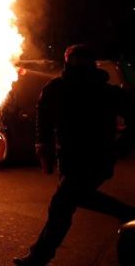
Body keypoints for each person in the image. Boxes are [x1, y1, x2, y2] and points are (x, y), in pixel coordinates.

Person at [14, 44, 135, 265]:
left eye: (83, 61)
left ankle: (38, 258)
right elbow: (44, 117)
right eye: (75, 61)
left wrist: (120, 146)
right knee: (72, 200)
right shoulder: (57, 88)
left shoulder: (107, 93)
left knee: (62, 203)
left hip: (97, 159)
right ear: (68, 62)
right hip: (69, 159)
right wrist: (43, 145)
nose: (79, 66)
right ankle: (127, 213)